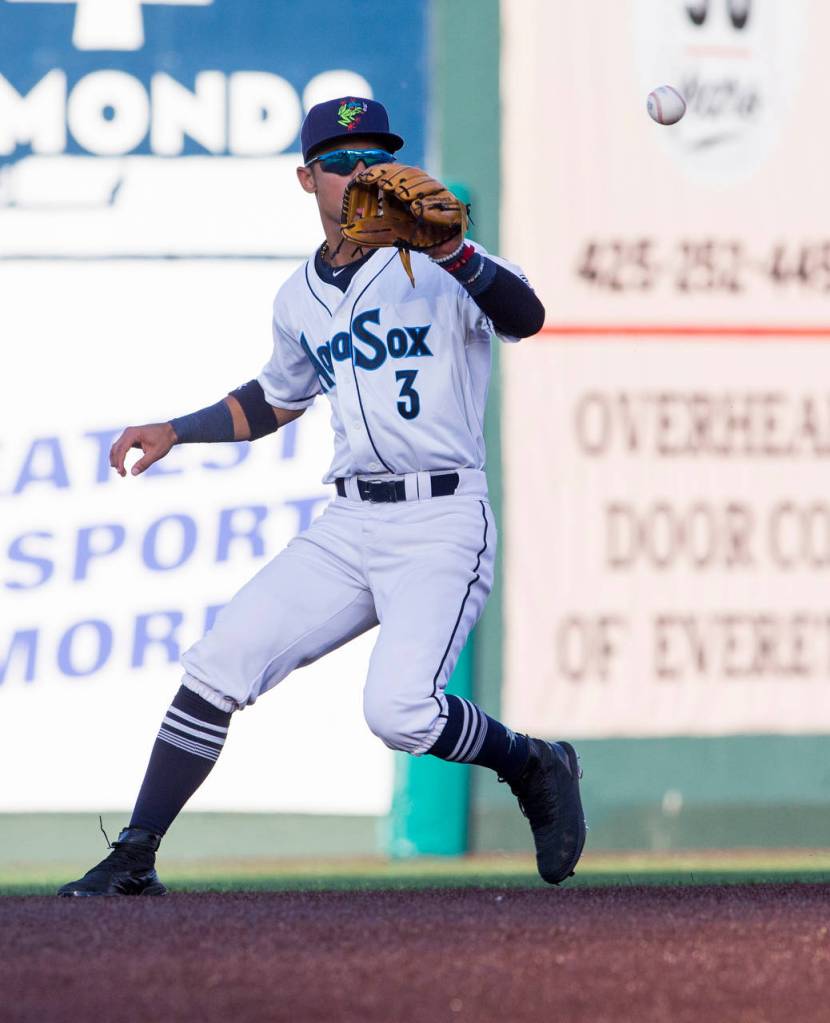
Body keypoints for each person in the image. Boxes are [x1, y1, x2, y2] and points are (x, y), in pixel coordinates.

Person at [58, 97, 585, 897]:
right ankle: (135, 855)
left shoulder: (436, 261)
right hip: (351, 521)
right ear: (307, 179)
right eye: (342, 162)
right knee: (220, 659)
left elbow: (529, 315)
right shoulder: (299, 296)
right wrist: (175, 428)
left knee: (400, 713)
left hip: (441, 519)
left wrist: (455, 251)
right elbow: (274, 401)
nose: (362, 173)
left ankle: (532, 761)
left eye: (375, 158)